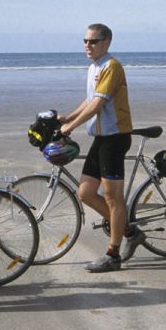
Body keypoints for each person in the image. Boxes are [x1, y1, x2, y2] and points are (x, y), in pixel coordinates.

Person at [58, 23, 145, 272]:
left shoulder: (112, 66)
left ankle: (113, 254)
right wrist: (68, 117)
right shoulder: (94, 67)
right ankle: (130, 231)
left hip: (115, 137)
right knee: (85, 193)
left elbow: (97, 106)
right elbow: (89, 99)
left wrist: (71, 126)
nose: (87, 45)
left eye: (93, 41)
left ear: (106, 43)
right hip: (100, 137)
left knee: (113, 198)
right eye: (85, 41)